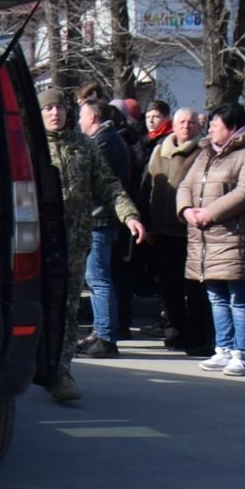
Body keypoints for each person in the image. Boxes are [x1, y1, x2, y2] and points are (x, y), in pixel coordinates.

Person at [38, 87, 146, 399]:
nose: (55, 113)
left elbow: (110, 186)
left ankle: (61, 372)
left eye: (60, 107)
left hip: (75, 243)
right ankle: (33, 365)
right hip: (40, 244)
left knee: (68, 308)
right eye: (49, 109)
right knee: (40, 306)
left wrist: (129, 215)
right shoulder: (30, 147)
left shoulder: (83, 145)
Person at [179, 102, 245, 378]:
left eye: (215, 126)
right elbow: (186, 184)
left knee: (238, 297)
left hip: (234, 237)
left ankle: (243, 353)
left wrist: (210, 212)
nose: (210, 130)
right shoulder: (206, 152)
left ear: (232, 127)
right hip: (205, 238)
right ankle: (224, 348)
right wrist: (186, 210)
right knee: (216, 296)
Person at [76, 99, 141, 357]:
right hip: (98, 219)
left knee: (98, 279)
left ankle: (105, 336)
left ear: (92, 117)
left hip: (99, 220)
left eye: (81, 115)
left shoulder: (104, 142)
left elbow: (95, 181)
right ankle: (99, 331)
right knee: (96, 278)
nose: (79, 121)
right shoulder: (108, 139)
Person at [143, 108, 211, 356]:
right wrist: (148, 223)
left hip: (189, 231)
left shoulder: (204, 151)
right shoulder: (160, 150)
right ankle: (174, 328)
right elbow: (148, 186)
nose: (186, 126)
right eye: (182, 121)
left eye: (191, 122)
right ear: (174, 124)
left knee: (193, 287)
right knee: (168, 284)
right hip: (161, 229)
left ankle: (195, 332)